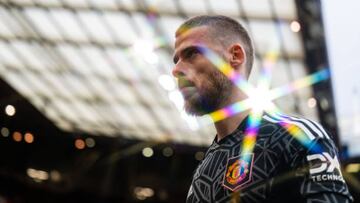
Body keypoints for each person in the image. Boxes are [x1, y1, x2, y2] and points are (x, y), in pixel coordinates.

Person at [172, 15, 353, 203]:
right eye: (176, 60)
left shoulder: (298, 136)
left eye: (191, 53)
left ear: (235, 56)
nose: (176, 70)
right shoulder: (203, 172)